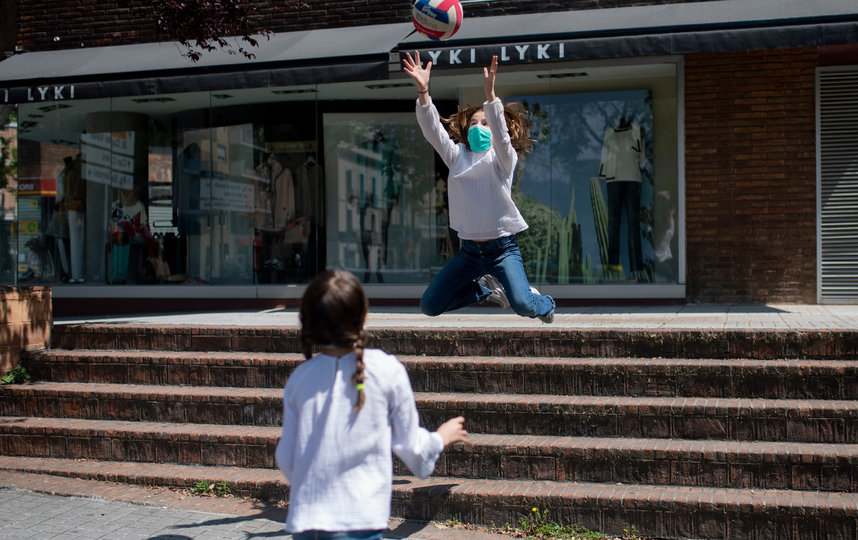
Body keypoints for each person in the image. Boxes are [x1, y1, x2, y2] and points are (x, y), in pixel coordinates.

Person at [275, 269, 470, 540]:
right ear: (362, 316)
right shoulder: (386, 369)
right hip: (359, 519)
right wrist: (441, 438)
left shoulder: (300, 379)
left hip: (306, 520)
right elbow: (411, 447)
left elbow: (286, 458)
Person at [402, 51, 555, 323]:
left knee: (523, 305)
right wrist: (423, 91)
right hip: (470, 252)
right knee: (430, 305)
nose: (478, 127)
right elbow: (432, 130)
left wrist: (491, 97)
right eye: (473, 123)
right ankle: (486, 290)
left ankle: (546, 303)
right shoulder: (456, 156)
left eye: (484, 123)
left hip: (503, 249)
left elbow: (503, 139)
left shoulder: (503, 160)